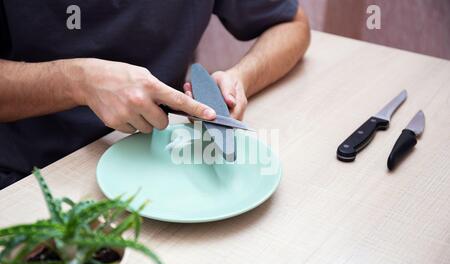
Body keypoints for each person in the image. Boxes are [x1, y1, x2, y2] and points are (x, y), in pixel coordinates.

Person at [0, 1, 310, 189]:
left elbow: (292, 24)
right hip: (31, 174)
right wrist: (78, 81)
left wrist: (240, 78)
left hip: (164, 162)